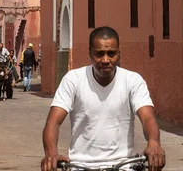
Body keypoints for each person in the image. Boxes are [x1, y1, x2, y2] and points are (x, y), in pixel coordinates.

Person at [41, 26, 166, 171]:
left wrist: (154, 142)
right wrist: (51, 153)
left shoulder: (133, 81)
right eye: (99, 54)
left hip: (123, 165)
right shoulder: (73, 79)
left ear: (119, 54)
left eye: (111, 54)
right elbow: (53, 121)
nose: (105, 60)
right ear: (90, 53)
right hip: (80, 166)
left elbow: (148, 118)